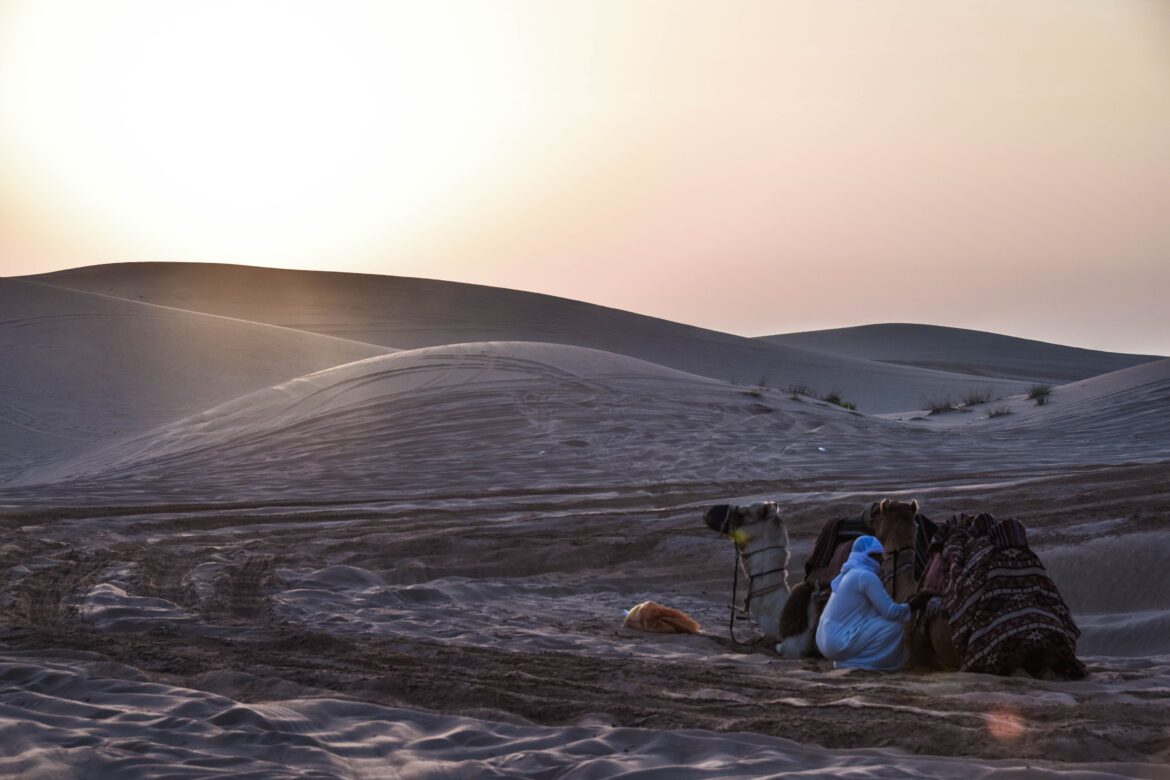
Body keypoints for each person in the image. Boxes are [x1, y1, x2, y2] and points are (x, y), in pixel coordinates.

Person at [815, 535, 913, 671]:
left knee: (878, 621)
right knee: (895, 626)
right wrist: (911, 606)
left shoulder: (849, 573)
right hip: (837, 642)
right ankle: (862, 664)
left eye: (881, 556)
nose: (882, 561)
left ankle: (846, 661)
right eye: (878, 556)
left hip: (823, 639)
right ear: (868, 555)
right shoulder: (865, 576)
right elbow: (890, 612)